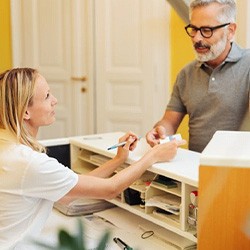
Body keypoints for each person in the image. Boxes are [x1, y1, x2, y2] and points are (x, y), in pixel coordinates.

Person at [0, 68, 186, 249]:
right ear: (26, 112)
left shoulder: (10, 150)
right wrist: (152, 155)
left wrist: (118, 160)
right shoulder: (29, 163)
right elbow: (110, 190)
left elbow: (67, 193)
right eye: (47, 96)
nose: (55, 101)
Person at [146, 0, 250, 153]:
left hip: (237, 171)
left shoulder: (247, 65)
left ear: (231, 31)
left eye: (206, 30)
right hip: (194, 168)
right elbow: (169, 122)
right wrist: (160, 131)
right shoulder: (186, 74)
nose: (196, 39)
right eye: (194, 29)